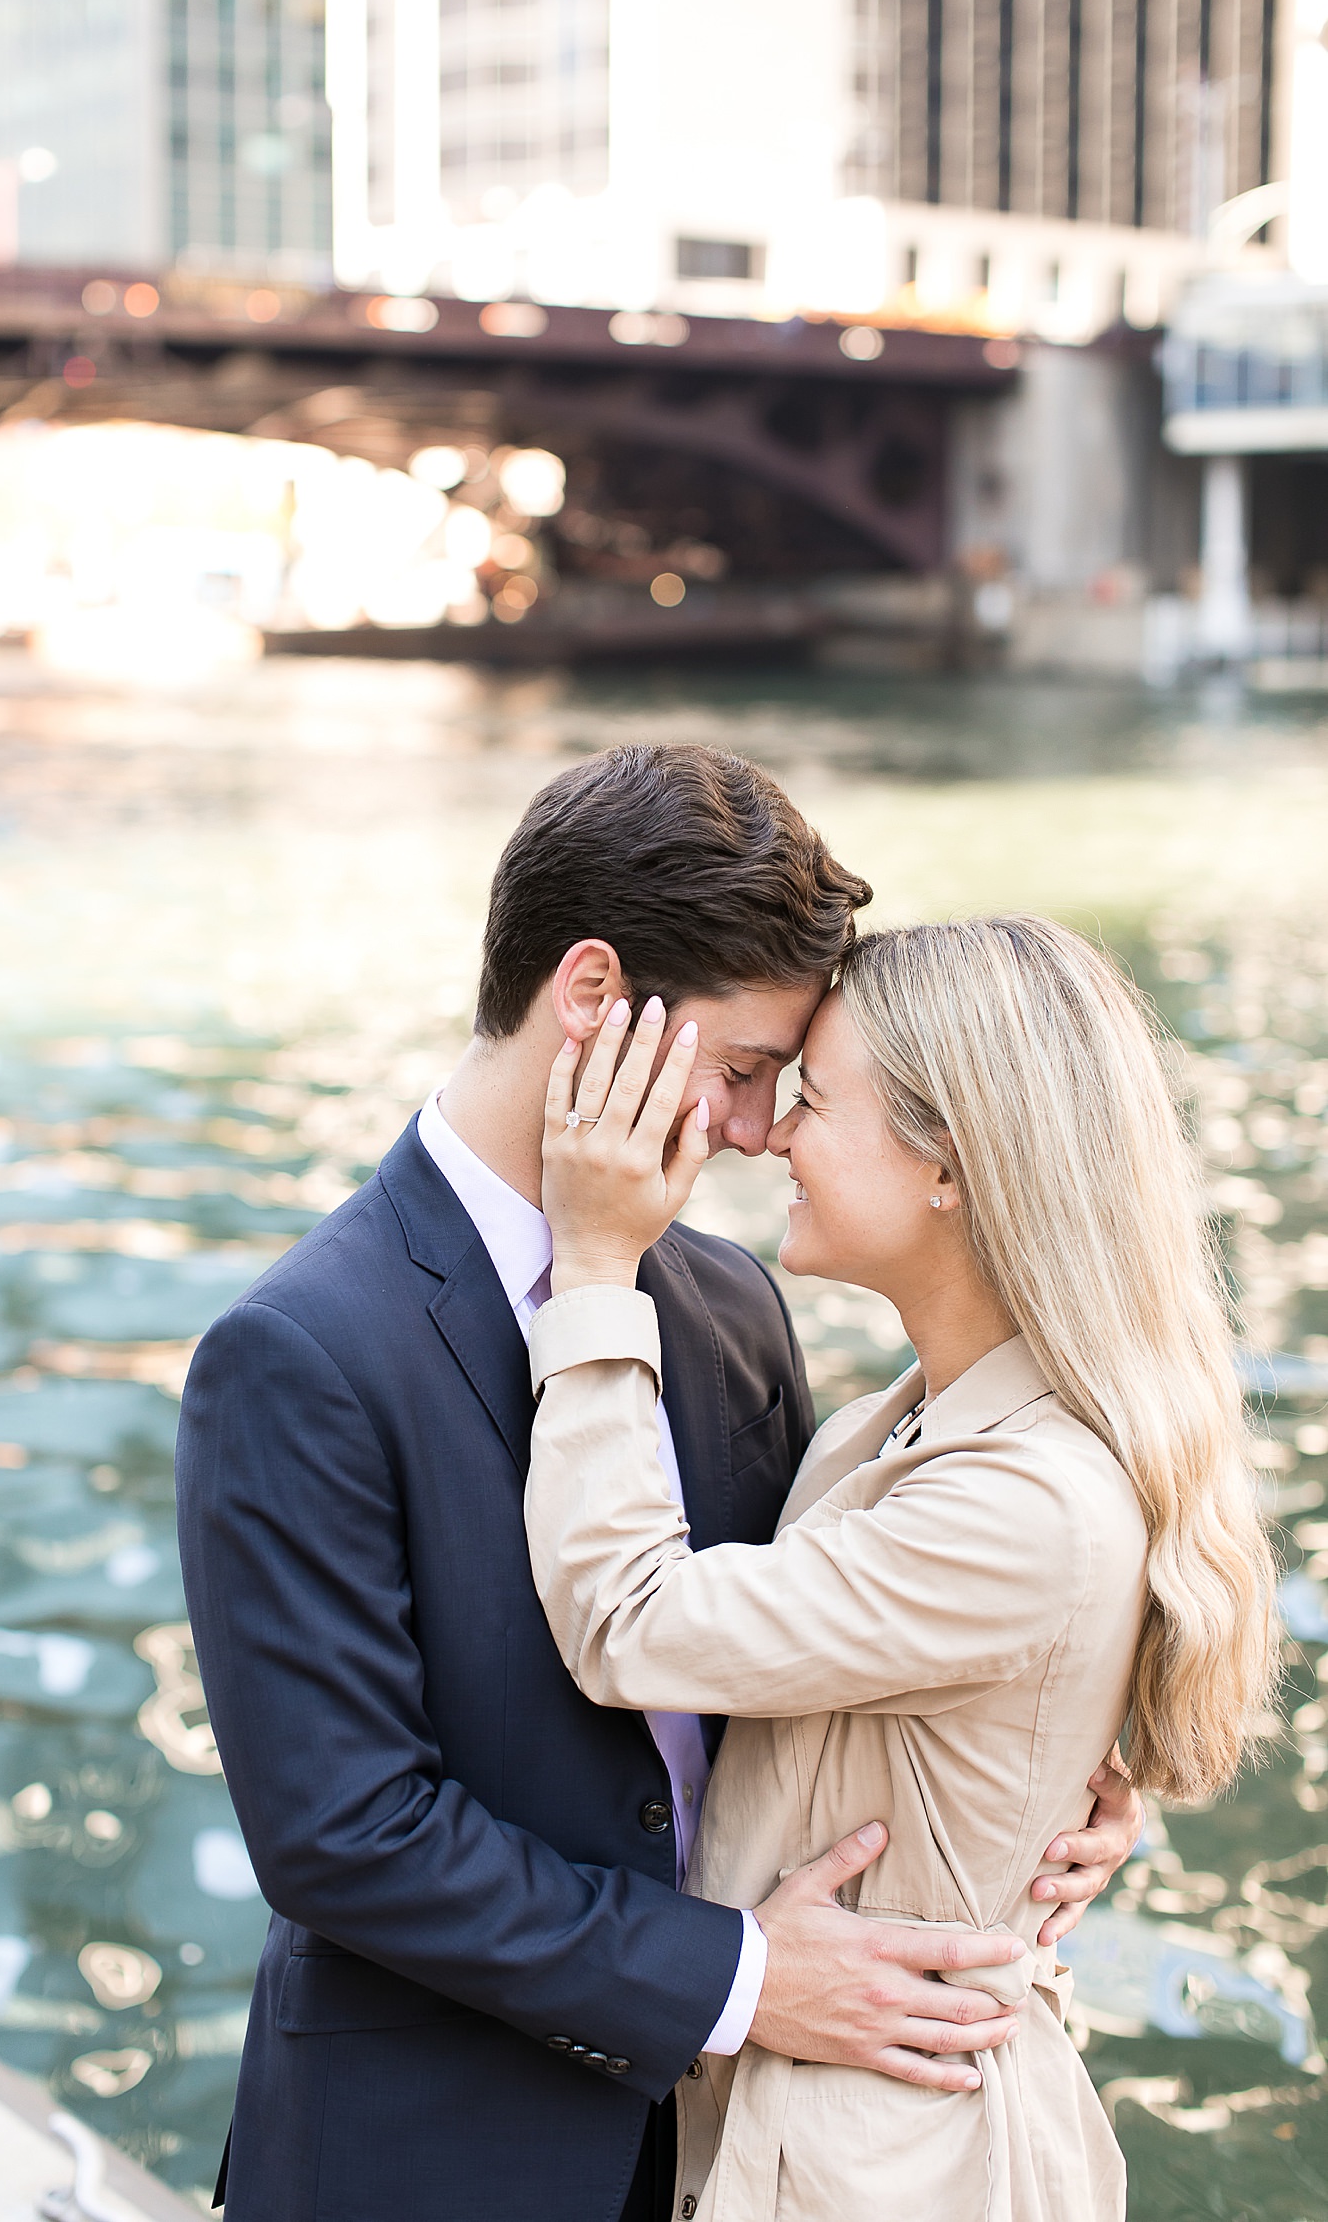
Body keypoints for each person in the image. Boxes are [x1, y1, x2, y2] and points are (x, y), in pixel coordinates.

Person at [174, 749, 1145, 2222]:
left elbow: (805, 1649)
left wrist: (1053, 1772)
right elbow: (346, 1833)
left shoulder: (727, 1302)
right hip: (434, 2152)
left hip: (739, 2151)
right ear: (588, 998)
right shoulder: (301, 1346)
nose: (760, 1131)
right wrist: (741, 1979)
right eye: (747, 1068)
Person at [524, 913, 1280, 2222]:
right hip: (822, 2130)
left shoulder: (1025, 1500)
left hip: (896, 2163)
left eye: (815, 1099)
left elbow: (626, 1619)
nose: (771, 1136)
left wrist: (591, 1266)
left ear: (951, 1167)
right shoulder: (906, 1427)